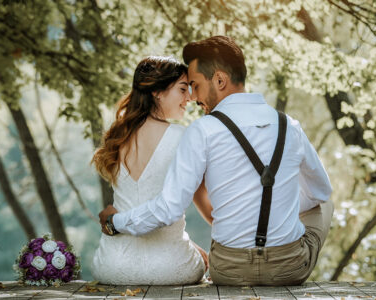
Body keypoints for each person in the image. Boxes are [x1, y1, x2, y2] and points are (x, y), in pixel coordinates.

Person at [100, 36, 334, 286]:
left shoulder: (201, 131)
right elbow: (320, 191)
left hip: (228, 270)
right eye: (186, 88)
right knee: (324, 203)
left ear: (220, 80)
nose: (193, 97)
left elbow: (168, 208)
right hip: (289, 268)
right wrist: (279, 210)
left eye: (195, 85)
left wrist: (115, 222)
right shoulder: (291, 126)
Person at [91, 56, 209, 285]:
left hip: (112, 266)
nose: (190, 98)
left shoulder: (117, 137)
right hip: (171, 268)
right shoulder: (183, 136)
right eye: (183, 89)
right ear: (157, 91)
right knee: (202, 262)